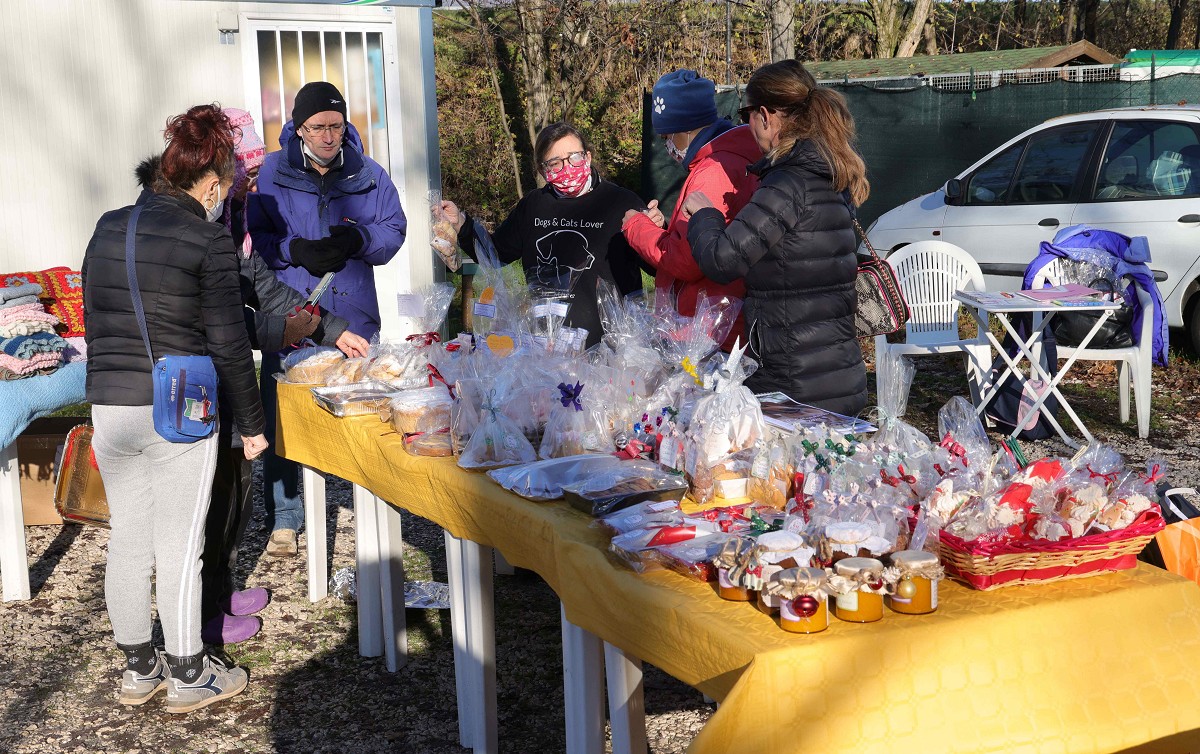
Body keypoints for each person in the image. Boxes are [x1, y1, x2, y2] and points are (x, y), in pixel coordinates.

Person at [83, 104, 265, 712]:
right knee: (180, 544)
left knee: (128, 538)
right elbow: (229, 342)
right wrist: (253, 425)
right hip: (177, 410)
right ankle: (190, 674)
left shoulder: (107, 226)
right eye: (227, 185)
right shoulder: (206, 237)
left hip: (109, 405)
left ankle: (139, 668)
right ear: (210, 183)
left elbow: (98, 320)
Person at [248, 82, 406, 557]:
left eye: (335, 126)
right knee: (282, 413)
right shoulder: (271, 173)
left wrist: (357, 241)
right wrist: (291, 250)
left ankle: (369, 501)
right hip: (292, 310)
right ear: (297, 127)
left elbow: (393, 230)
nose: (327, 136)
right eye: (316, 127)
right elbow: (255, 237)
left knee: (361, 412)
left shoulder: (369, 174)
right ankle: (285, 516)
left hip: (353, 311)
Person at [682, 60, 869, 416]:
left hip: (793, 387)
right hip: (842, 377)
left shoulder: (788, 183)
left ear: (766, 116)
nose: (746, 124)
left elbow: (723, 259)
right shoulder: (831, 173)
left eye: (745, 114)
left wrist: (705, 215)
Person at [440, 122, 646, 349]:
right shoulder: (534, 205)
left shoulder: (622, 203)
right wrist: (461, 223)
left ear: (587, 157)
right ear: (542, 170)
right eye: (555, 163)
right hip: (547, 344)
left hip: (612, 345)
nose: (568, 167)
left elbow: (658, 262)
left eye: (574, 157)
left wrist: (656, 228)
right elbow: (496, 254)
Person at [622, 69, 760, 350]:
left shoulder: (712, 172)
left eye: (667, 137)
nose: (667, 147)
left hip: (708, 330)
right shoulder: (733, 160)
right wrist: (663, 231)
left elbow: (687, 259)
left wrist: (637, 227)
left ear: (687, 128)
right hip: (726, 320)